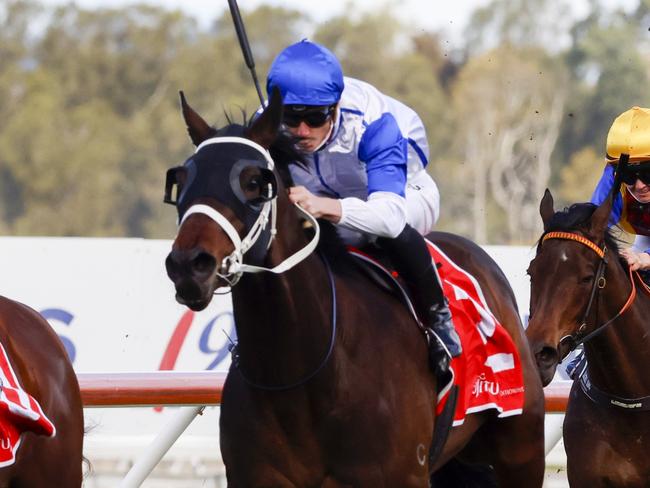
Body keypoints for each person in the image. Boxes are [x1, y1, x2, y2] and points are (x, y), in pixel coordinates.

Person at [265, 39, 461, 375]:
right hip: (321, 197)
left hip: (399, 192)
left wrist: (325, 206)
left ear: (335, 106)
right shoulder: (267, 123)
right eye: (290, 118)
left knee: (385, 231)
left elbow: (389, 215)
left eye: (314, 118)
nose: (301, 131)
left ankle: (438, 318)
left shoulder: (376, 123)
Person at [591, 106, 650, 276]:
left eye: (648, 174)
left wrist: (645, 259)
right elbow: (591, 226)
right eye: (629, 175)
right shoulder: (612, 176)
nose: (639, 186)